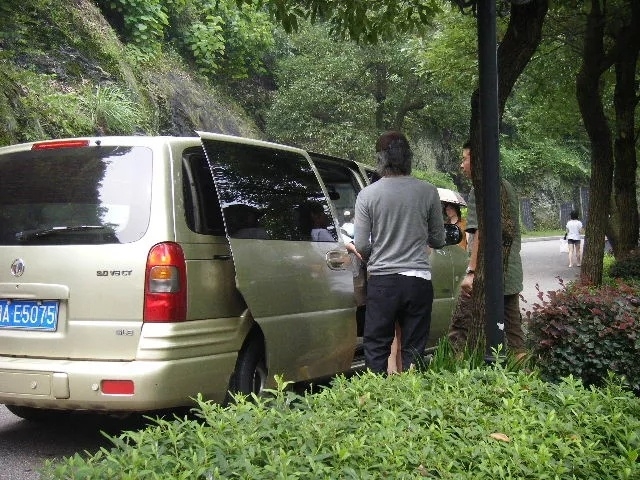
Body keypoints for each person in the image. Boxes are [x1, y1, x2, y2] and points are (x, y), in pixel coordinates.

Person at [353, 131, 446, 374]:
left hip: (383, 281)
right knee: (414, 348)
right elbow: (438, 239)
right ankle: (412, 402)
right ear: (409, 158)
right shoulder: (428, 191)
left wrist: (380, 252)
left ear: (380, 159)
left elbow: (361, 245)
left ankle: (376, 399)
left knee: (376, 346)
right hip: (418, 281)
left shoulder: (367, 195)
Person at [447, 140, 525, 357]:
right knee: (514, 334)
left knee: (460, 329)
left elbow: (480, 233)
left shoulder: (479, 188)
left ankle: (456, 378)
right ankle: (526, 380)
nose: (462, 165)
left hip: (486, 274)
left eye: (465, 158)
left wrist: (471, 273)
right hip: (509, 272)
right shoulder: (506, 185)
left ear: (478, 159)